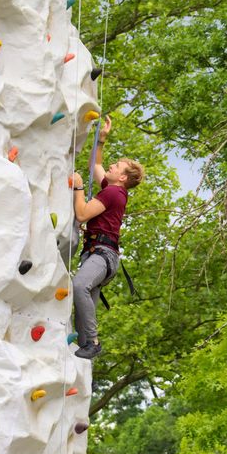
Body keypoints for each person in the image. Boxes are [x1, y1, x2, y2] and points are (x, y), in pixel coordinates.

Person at [71, 115, 144, 360]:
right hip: (100, 255)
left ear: (122, 178)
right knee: (81, 314)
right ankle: (84, 343)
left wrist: (79, 188)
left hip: (102, 255)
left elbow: (81, 214)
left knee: (79, 286)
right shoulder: (113, 190)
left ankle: (93, 341)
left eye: (116, 167)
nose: (111, 166)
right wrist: (100, 141)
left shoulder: (113, 193)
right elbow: (96, 167)